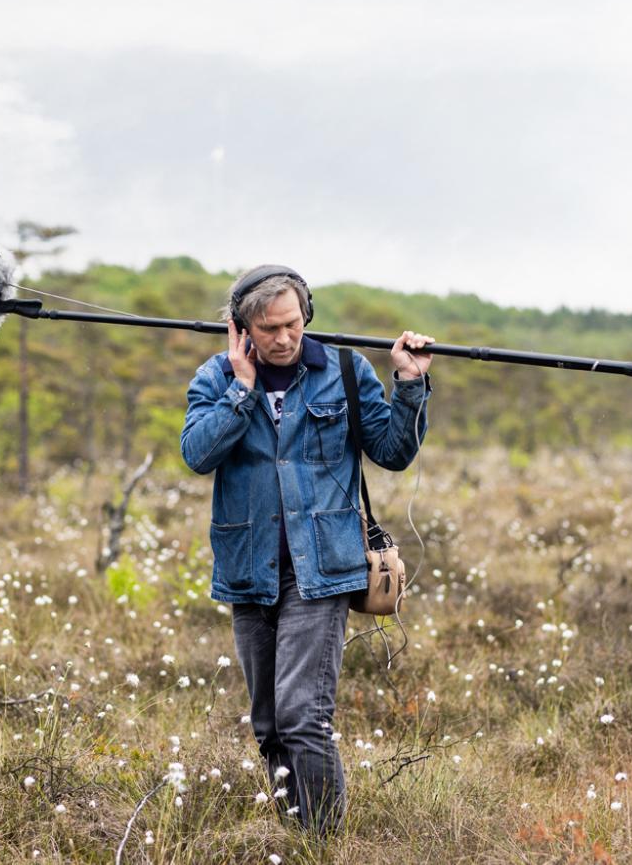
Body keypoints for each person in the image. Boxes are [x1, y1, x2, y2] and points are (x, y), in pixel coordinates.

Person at [179, 265, 433, 836]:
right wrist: (241, 389)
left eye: (293, 323)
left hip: (323, 571)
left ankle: (322, 843)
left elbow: (393, 451)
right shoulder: (215, 378)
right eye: (268, 328)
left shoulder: (346, 371)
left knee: (302, 717)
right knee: (269, 724)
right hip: (250, 570)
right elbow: (197, 454)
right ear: (241, 329)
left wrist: (410, 384)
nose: (284, 338)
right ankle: (295, 834)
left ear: (307, 315)